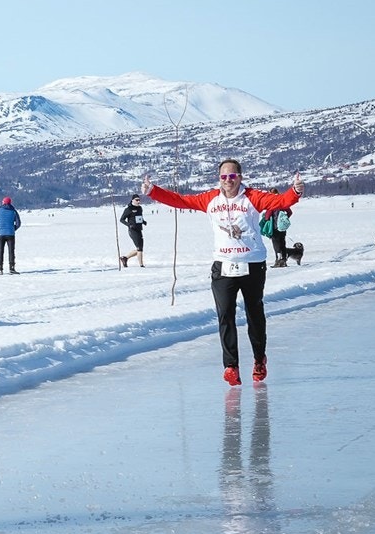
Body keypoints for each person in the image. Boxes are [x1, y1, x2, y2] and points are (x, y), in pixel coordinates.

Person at [143, 161, 303, 386]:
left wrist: (295, 191)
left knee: (254, 314)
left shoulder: (252, 197)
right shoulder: (211, 199)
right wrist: (153, 191)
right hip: (223, 266)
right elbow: (181, 201)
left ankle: (259, 359)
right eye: (224, 177)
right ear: (219, 178)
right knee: (225, 315)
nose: (228, 180)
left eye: (232, 176)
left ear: (240, 177)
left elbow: (280, 201)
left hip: (252, 264)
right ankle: (231, 366)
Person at [0, 196, 22, 274]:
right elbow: (18, 223)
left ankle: (0, 269)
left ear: (3, 202)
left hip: (0, 234)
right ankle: (12, 268)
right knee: (11, 251)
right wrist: (13, 229)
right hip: (10, 234)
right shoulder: (13, 211)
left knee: (0, 251)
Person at [119, 195, 146, 268]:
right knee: (139, 248)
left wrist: (143, 221)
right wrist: (129, 225)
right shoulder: (128, 209)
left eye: (139, 200)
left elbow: (139, 217)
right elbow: (121, 219)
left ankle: (125, 258)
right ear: (132, 200)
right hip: (132, 230)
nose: (138, 201)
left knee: (140, 248)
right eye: (137, 200)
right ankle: (141, 265)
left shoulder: (140, 208)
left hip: (139, 229)